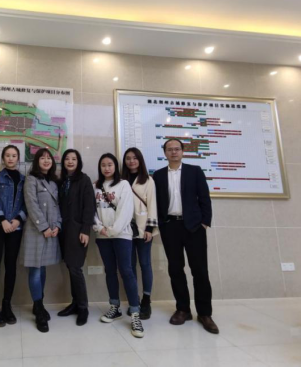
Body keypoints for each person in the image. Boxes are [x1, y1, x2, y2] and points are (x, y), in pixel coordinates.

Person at [152, 139, 218, 334]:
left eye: (177, 149)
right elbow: (156, 202)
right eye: (169, 149)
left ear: (182, 151)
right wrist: (161, 224)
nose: (173, 152)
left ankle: (204, 313)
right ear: (165, 152)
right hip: (170, 227)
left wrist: (205, 222)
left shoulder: (194, 171)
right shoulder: (158, 175)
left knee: (200, 270)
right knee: (175, 269)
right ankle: (183, 310)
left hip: (194, 227)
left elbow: (204, 198)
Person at [93, 153, 144, 338]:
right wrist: (99, 227)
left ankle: (135, 313)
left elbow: (126, 211)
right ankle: (114, 307)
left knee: (126, 271)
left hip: (122, 235)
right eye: (103, 165)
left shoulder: (123, 185)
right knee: (109, 271)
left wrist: (113, 230)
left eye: (110, 164)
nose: (106, 168)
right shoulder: (95, 186)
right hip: (102, 236)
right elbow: (92, 211)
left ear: (115, 166)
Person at [0, 145, 27, 327]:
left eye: (14, 155)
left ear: (18, 158)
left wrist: (18, 219)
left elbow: (27, 202)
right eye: (7, 155)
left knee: (11, 266)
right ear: (3, 158)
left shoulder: (24, 180)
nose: (11, 158)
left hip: (15, 228)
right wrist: (2, 219)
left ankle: (7, 305)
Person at [23, 149, 62, 333]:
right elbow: (31, 205)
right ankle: (39, 309)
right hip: (36, 231)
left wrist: (58, 225)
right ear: (37, 161)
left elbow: (58, 206)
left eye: (49, 158)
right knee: (36, 270)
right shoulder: (31, 179)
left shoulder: (54, 181)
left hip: (51, 231)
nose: (46, 161)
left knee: (43, 268)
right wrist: (44, 227)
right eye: (42, 158)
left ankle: (38, 303)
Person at [57, 149, 95, 326]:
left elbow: (89, 206)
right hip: (63, 230)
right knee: (70, 266)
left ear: (78, 162)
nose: (70, 161)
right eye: (67, 159)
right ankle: (75, 303)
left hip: (78, 229)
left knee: (75, 268)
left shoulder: (84, 180)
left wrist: (85, 230)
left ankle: (83, 307)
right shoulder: (62, 181)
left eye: (74, 159)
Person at [122, 147, 159, 320]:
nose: (131, 161)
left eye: (135, 158)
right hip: (125, 229)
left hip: (144, 229)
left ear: (140, 160)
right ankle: (134, 299)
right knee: (129, 266)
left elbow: (152, 204)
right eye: (128, 158)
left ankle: (146, 300)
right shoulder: (120, 180)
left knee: (145, 264)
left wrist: (150, 229)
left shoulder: (148, 180)